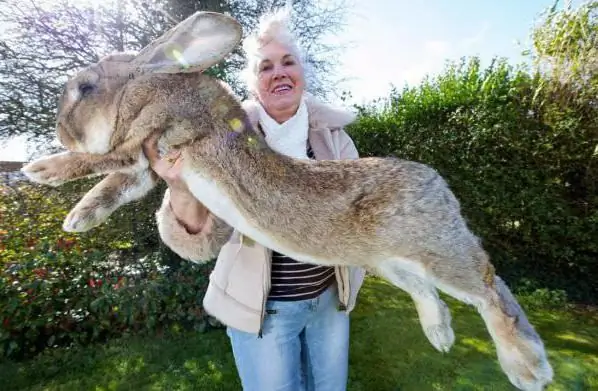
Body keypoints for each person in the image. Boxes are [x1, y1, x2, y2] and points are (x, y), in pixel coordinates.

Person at [143, 9, 366, 391]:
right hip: (262, 313)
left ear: (301, 74)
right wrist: (180, 186)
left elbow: (360, 214)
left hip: (329, 304)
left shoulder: (335, 140)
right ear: (255, 84)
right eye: (266, 67)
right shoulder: (222, 142)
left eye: (287, 62)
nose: (279, 72)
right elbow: (199, 240)